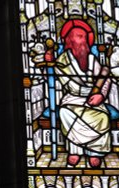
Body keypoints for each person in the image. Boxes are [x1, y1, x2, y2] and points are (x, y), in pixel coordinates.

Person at [54, 20, 111, 167]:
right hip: (72, 99)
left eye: (85, 37)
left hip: (95, 99)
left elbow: (106, 81)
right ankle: (75, 150)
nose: (83, 41)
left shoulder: (92, 59)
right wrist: (89, 91)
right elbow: (70, 85)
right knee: (66, 113)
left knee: (103, 116)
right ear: (69, 41)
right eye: (79, 36)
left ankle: (95, 152)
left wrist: (101, 96)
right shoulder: (62, 61)